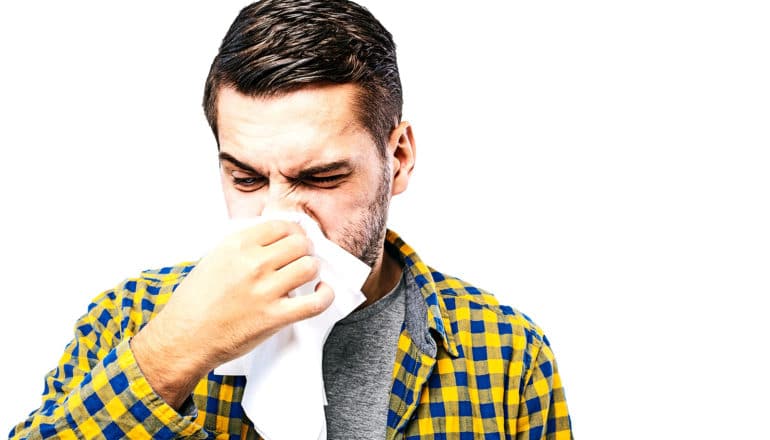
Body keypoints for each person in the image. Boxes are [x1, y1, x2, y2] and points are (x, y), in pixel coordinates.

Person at [10, 0, 573, 438]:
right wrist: (174, 353)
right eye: (247, 179)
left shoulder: (503, 351)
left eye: (321, 178)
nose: (280, 215)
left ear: (397, 159)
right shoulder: (129, 319)